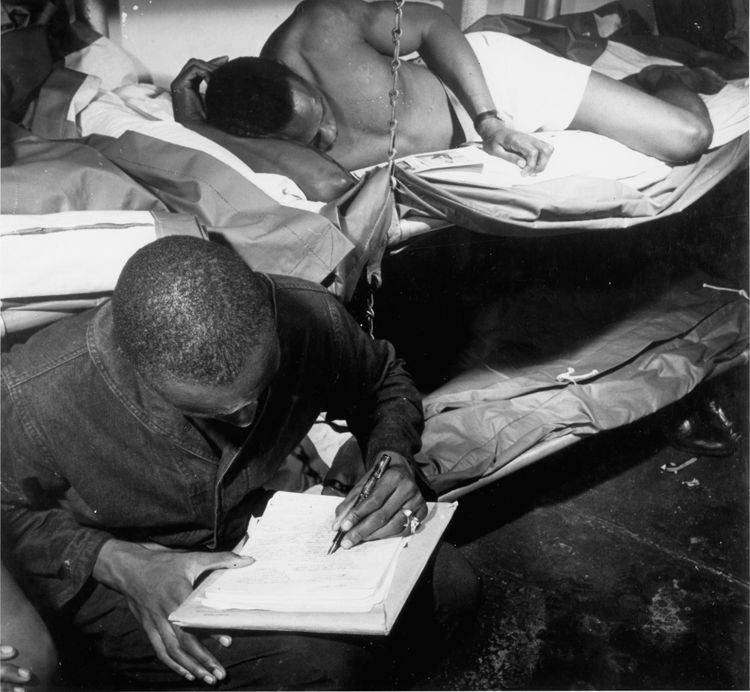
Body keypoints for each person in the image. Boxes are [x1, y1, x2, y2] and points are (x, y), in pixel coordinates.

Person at [1, 235, 480, 690]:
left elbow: (381, 381)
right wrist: (119, 564)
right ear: (134, 367)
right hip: (125, 567)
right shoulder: (34, 393)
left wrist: (391, 455)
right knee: (321, 673)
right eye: (215, 412)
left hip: (248, 536)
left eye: (263, 385)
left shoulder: (307, 314)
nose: (249, 417)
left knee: (452, 591)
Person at [170, 0, 715, 178]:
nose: (331, 132)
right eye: (315, 139)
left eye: (320, 113)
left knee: (690, 137)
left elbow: (430, 24)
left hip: (490, 85)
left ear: (291, 70)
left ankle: (659, 76)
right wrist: (193, 124)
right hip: (473, 133)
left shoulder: (322, 23)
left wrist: (491, 121)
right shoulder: (247, 132)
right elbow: (323, 190)